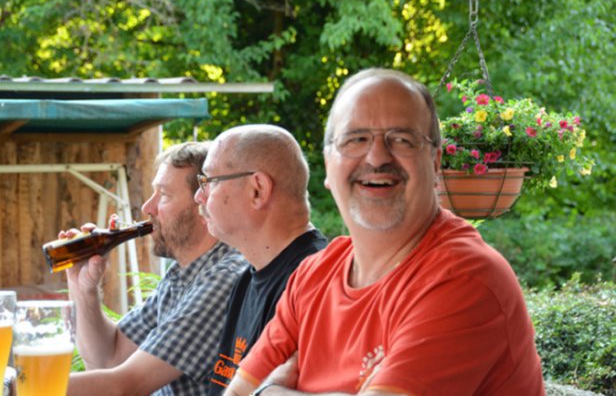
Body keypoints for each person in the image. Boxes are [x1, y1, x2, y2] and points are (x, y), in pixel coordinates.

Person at [225, 69, 546, 395]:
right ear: (328, 164)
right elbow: (236, 392)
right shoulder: (312, 276)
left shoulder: (464, 277)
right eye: (356, 139)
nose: (377, 157)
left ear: (435, 163)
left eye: (402, 139)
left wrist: (270, 392)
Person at [64, 142, 248, 395]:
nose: (147, 208)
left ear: (203, 203)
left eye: (163, 195)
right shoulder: (180, 276)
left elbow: (125, 386)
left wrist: (16, 387)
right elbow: (107, 360)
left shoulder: (225, 278)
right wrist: (83, 287)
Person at [193, 124, 328, 394]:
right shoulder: (247, 279)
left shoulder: (316, 281)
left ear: (258, 190)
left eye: (209, 181)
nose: (199, 196)